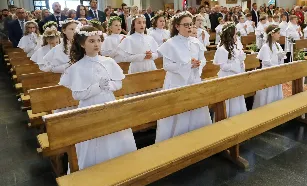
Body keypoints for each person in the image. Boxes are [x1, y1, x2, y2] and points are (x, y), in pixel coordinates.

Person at [59, 26, 137, 171]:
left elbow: (119, 83)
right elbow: (77, 95)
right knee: (93, 138)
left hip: (109, 101)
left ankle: (121, 169)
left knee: (115, 135)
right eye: (91, 41)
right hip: (89, 107)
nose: (96, 44)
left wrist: (109, 86)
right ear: (82, 44)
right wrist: (98, 87)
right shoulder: (77, 68)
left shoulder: (108, 61)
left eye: (99, 40)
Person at [155, 12, 212, 142]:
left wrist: (199, 64)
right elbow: (167, 66)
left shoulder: (196, 42)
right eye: (185, 25)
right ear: (177, 26)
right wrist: (186, 66)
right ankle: (176, 141)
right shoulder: (170, 43)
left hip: (193, 79)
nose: (189, 28)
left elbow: (202, 59)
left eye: (190, 25)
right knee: (178, 113)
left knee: (195, 109)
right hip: (177, 82)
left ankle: (198, 139)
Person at [213, 22, 247, 117]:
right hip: (227, 76)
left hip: (235, 75)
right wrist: (236, 65)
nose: (236, 36)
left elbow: (237, 59)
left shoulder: (234, 46)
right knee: (229, 99)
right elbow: (223, 66)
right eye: (235, 34)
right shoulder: (222, 49)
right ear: (230, 35)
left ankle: (238, 116)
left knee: (237, 98)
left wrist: (241, 60)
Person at [253, 25, 286, 108]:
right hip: (268, 73)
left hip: (276, 72)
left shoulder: (277, 45)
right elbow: (266, 62)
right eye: (278, 33)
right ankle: (267, 108)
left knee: (276, 90)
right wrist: (277, 61)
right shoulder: (265, 47)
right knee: (268, 92)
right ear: (272, 34)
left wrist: (280, 57)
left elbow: (280, 58)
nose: (280, 35)